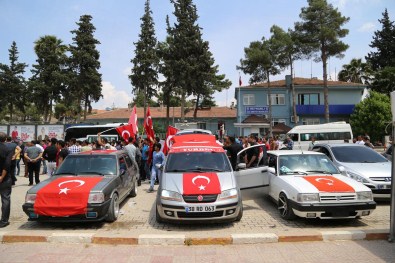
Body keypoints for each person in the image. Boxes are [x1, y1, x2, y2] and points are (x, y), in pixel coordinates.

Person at [0, 132, 13, 228]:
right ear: (5, 139)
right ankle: (4, 221)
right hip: (5, 178)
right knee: (5, 199)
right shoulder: (8, 149)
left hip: (4, 177)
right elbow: (7, 164)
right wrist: (2, 176)